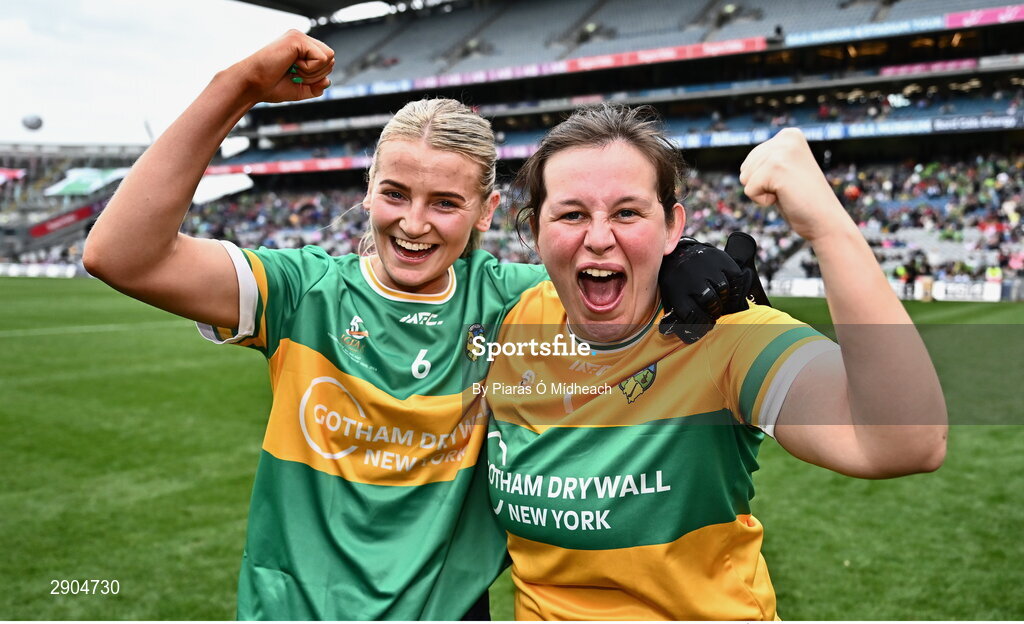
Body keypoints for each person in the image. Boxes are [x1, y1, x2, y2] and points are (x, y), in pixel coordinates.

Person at [82, 33, 742, 620]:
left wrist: (685, 262)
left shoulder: (512, 303)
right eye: (395, 193)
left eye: (446, 203)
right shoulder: (301, 292)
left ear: (486, 211)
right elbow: (120, 255)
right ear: (367, 190)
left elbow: (609, 268)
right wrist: (236, 88)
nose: (415, 223)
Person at [482, 104, 947, 620]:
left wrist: (827, 229)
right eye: (571, 214)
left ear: (671, 226)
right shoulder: (508, 318)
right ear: (533, 229)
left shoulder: (721, 334)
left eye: (627, 213)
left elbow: (904, 441)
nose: (598, 237)